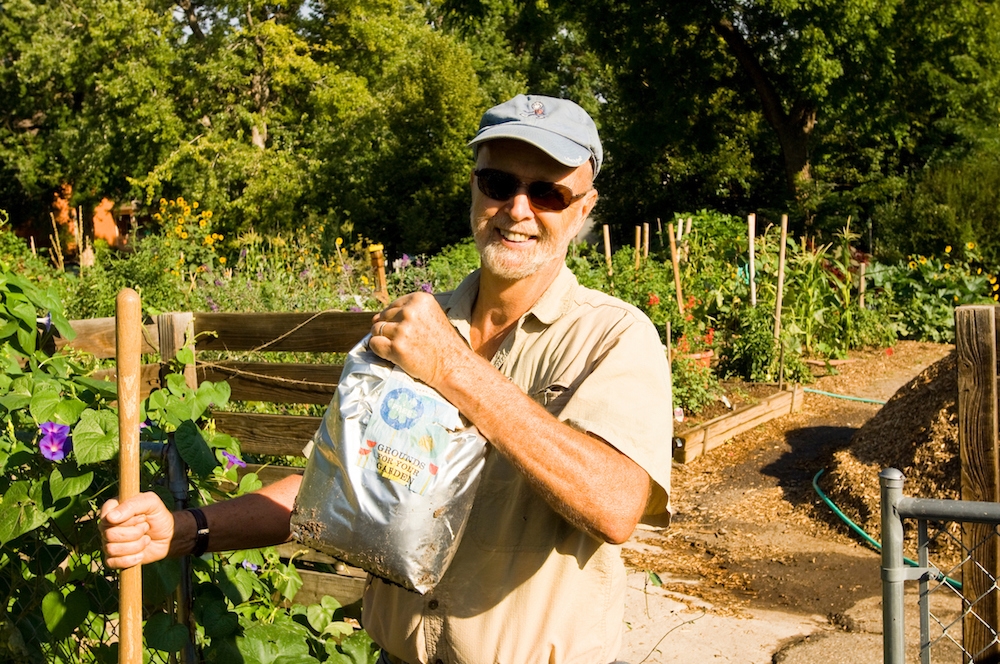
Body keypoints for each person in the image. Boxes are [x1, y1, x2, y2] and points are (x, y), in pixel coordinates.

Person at [100, 94, 673, 664]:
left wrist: (452, 368)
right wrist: (188, 529)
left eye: (547, 192)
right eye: (498, 182)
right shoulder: (415, 327)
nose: (517, 208)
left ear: (582, 208)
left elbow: (616, 504)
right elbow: (333, 489)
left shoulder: (612, 337)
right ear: (475, 188)